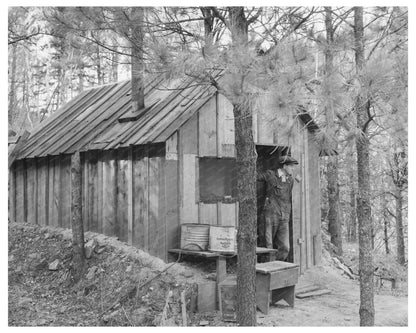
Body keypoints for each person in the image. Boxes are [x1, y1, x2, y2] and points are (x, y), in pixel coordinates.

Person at [257, 155, 299, 261]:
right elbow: (254, 176)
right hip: (270, 215)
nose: (293, 169)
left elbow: (287, 198)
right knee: (267, 246)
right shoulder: (270, 175)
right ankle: (265, 270)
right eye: (291, 166)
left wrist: (287, 214)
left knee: (285, 247)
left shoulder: (290, 180)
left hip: (284, 216)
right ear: (284, 166)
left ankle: (276, 266)